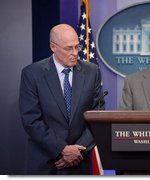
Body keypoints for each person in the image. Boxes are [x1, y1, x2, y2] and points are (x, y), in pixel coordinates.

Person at [19, 24, 104, 175]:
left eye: (77, 47)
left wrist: (77, 151)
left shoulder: (92, 72)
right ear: (53, 46)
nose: (75, 53)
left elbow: (97, 115)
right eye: (68, 48)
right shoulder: (32, 74)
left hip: (80, 162)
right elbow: (31, 120)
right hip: (45, 163)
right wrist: (62, 149)